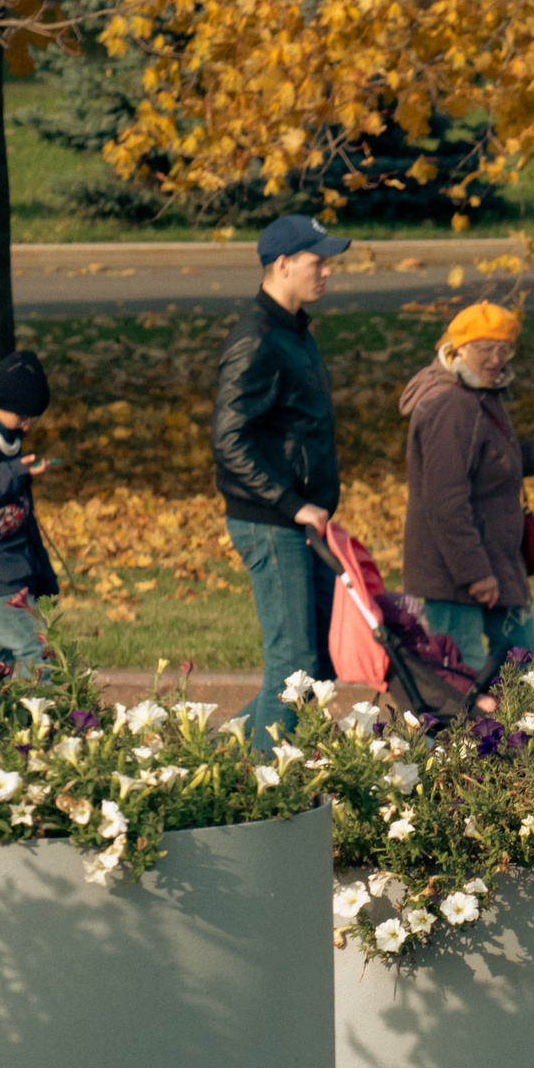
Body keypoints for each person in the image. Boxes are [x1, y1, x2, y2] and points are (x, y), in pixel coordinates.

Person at [215, 214, 349, 741]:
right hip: (271, 521)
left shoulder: (295, 333)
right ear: (283, 264)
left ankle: (222, 751)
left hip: (302, 520)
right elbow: (229, 440)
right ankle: (264, 779)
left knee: (319, 667)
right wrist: (291, 503)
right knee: (294, 667)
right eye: (318, 262)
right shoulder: (257, 340)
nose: (327, 272)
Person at [399, 301, 534, 676]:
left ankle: (513, 717)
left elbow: (483, 469)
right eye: (485, 349)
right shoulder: (450, 404)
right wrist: (474, 573)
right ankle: (466, 719)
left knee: (525, 658)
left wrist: (532, 454)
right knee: (462, 675)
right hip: (455, 573)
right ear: (458, 348)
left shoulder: (479, 391)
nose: (496, 360)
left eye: (504, 350)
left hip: (493, 561)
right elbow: (445, 500)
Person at [0, 351, 57, 671]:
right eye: (23, 417)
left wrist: (44, 576)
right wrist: (15, 472)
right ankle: (42, 705)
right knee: (37, 649)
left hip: (15, 574)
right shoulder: (9, 462)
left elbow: (26, 522)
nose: (28, 426)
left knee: (1, 668)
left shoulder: (12, 446)